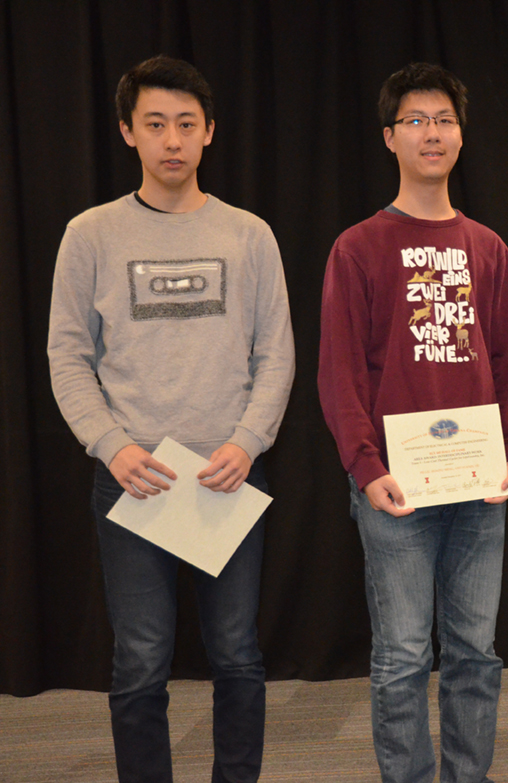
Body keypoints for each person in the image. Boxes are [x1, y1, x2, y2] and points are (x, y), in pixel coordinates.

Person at [47, 55, 295, 783]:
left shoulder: (250, 235)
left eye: (187, 124)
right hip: (134, 480)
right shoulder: (89, 234)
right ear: (128, 132)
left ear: (210, 133)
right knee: (141, 660)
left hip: (224, 477)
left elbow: (275, 354)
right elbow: (67, 356)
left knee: (238, 655)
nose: (172, 140)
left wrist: (247, 443)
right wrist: (111, 445)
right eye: (155, 124)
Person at [317, 62, 508, 783]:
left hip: (478, 486)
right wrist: (365, 467)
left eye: (443, 119)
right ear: (389, 137)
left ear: (461, 136)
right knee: (403, 655)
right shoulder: (357, 247)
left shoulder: (488, 247)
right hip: (396, 492)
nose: (431, 132)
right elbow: (338, 371)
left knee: (475, 653)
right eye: (415, 120)